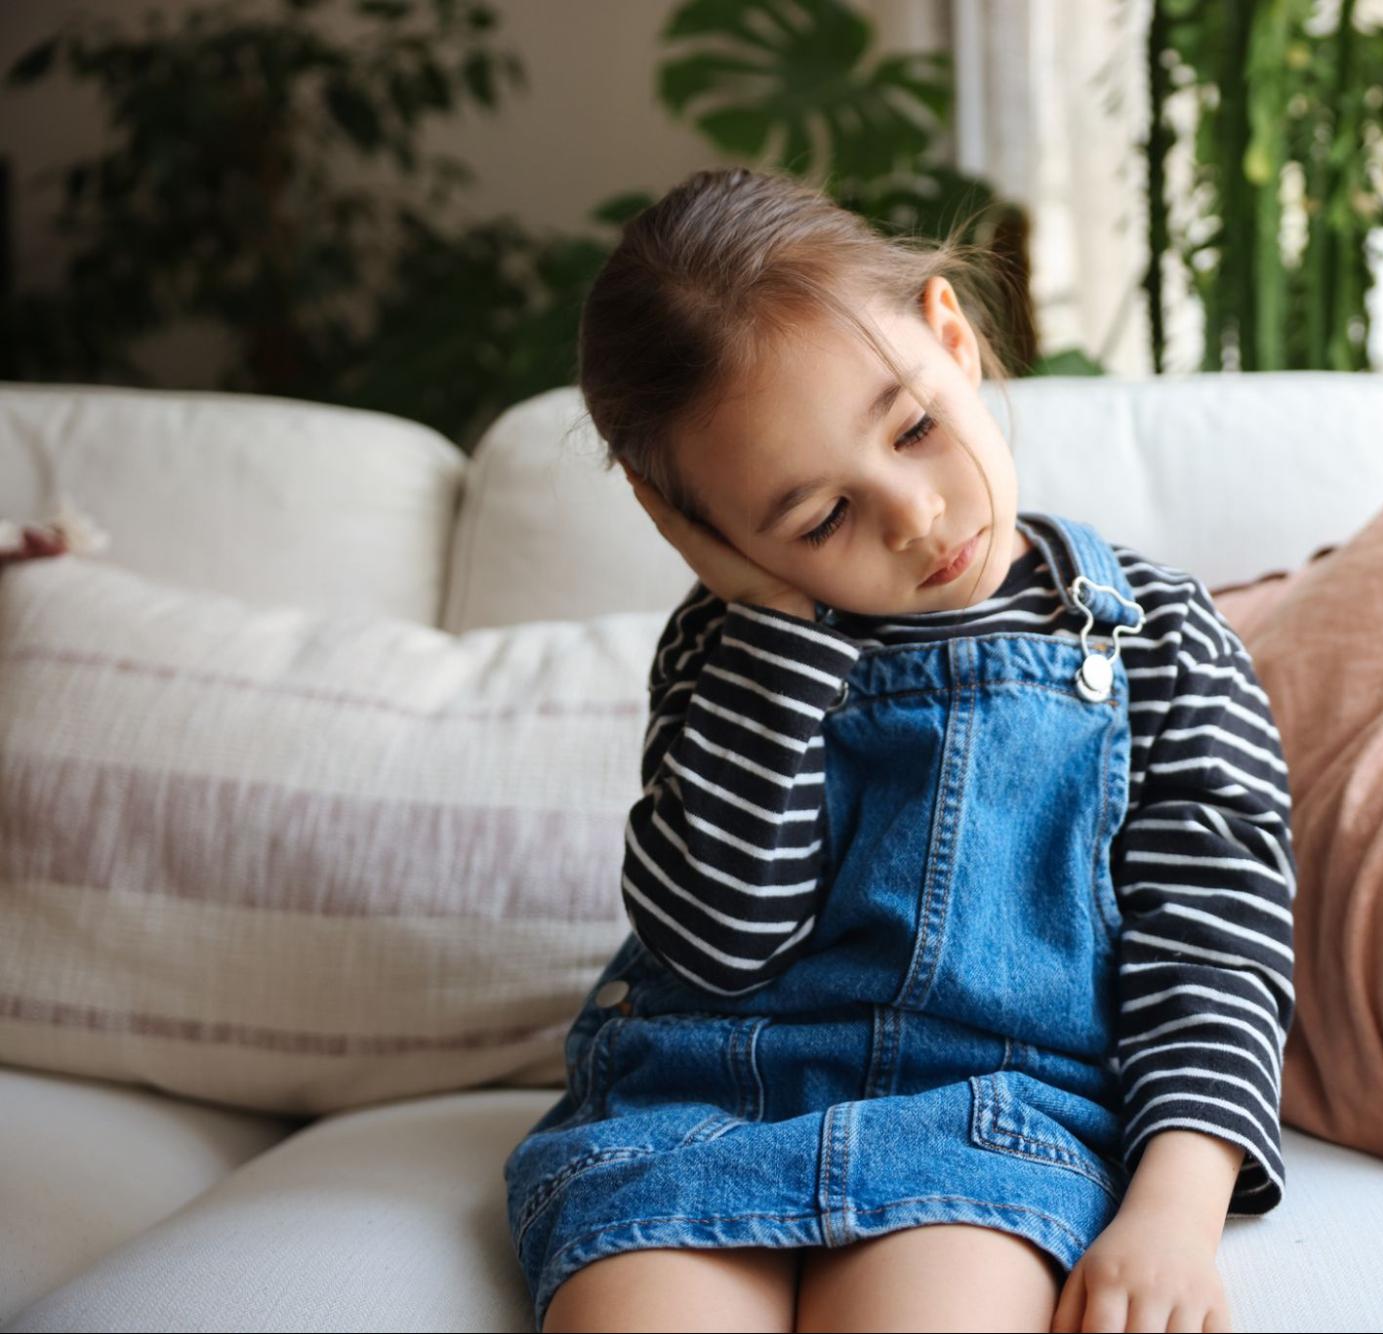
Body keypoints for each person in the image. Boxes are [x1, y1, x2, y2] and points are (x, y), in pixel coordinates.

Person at [502, 167, 1296, 1334]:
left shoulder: (1155, 638)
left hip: (993, 1113)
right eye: (817, 520)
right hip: (699, 1092)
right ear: (713, 536)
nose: (914, 517)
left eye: (913, 428)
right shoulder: (728, 651)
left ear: (951, 332)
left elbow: (1216, 942)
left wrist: (1173, 1209)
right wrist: (766, 622)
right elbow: (718, 942)